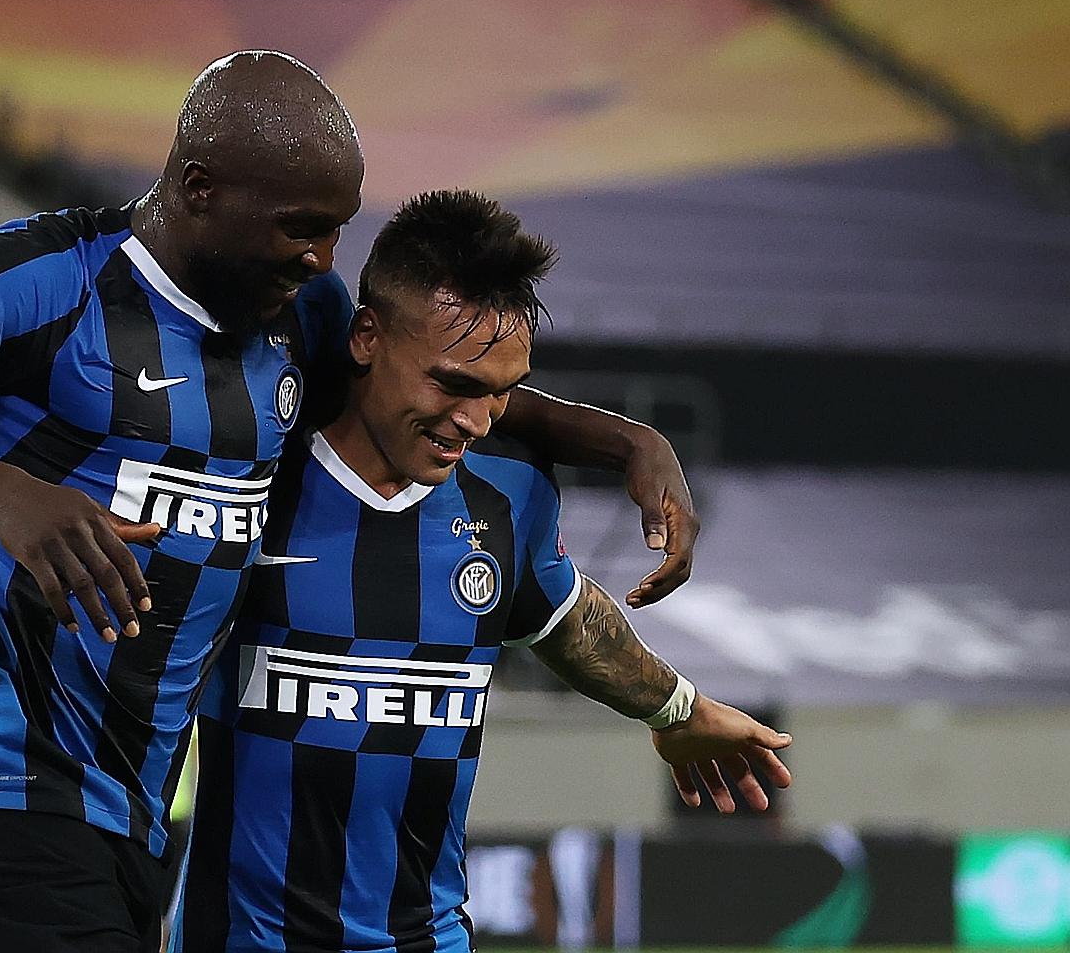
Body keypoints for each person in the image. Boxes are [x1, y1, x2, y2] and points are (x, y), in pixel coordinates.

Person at [0, 51, 699, 953]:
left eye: (336, 228)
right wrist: (3, 492)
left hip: (133, 816)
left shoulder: (299, 317)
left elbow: (433, 380)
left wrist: (626, 440)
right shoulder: (30, 284)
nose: (323, 258)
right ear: (200, 189)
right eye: (301, 227)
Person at [171, 191, 791, 953]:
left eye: (501, 392)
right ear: (366, 336)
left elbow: (564, 621)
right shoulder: (257, 474)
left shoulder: (509, 493)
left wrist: (678, 709)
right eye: (453, 385)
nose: (475, 420)